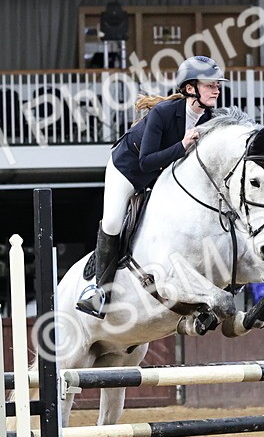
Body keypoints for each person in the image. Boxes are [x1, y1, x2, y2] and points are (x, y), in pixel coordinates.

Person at [77, 55, 225, 317]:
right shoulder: (163, 113)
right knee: (112, 222)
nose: (216, 90)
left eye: (217, 85)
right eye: (210, 85)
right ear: (190, 88)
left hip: (162, 175)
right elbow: (146, 162)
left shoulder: (209, 119)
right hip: (128, 170)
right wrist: (182, 145)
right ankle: (100, 293)